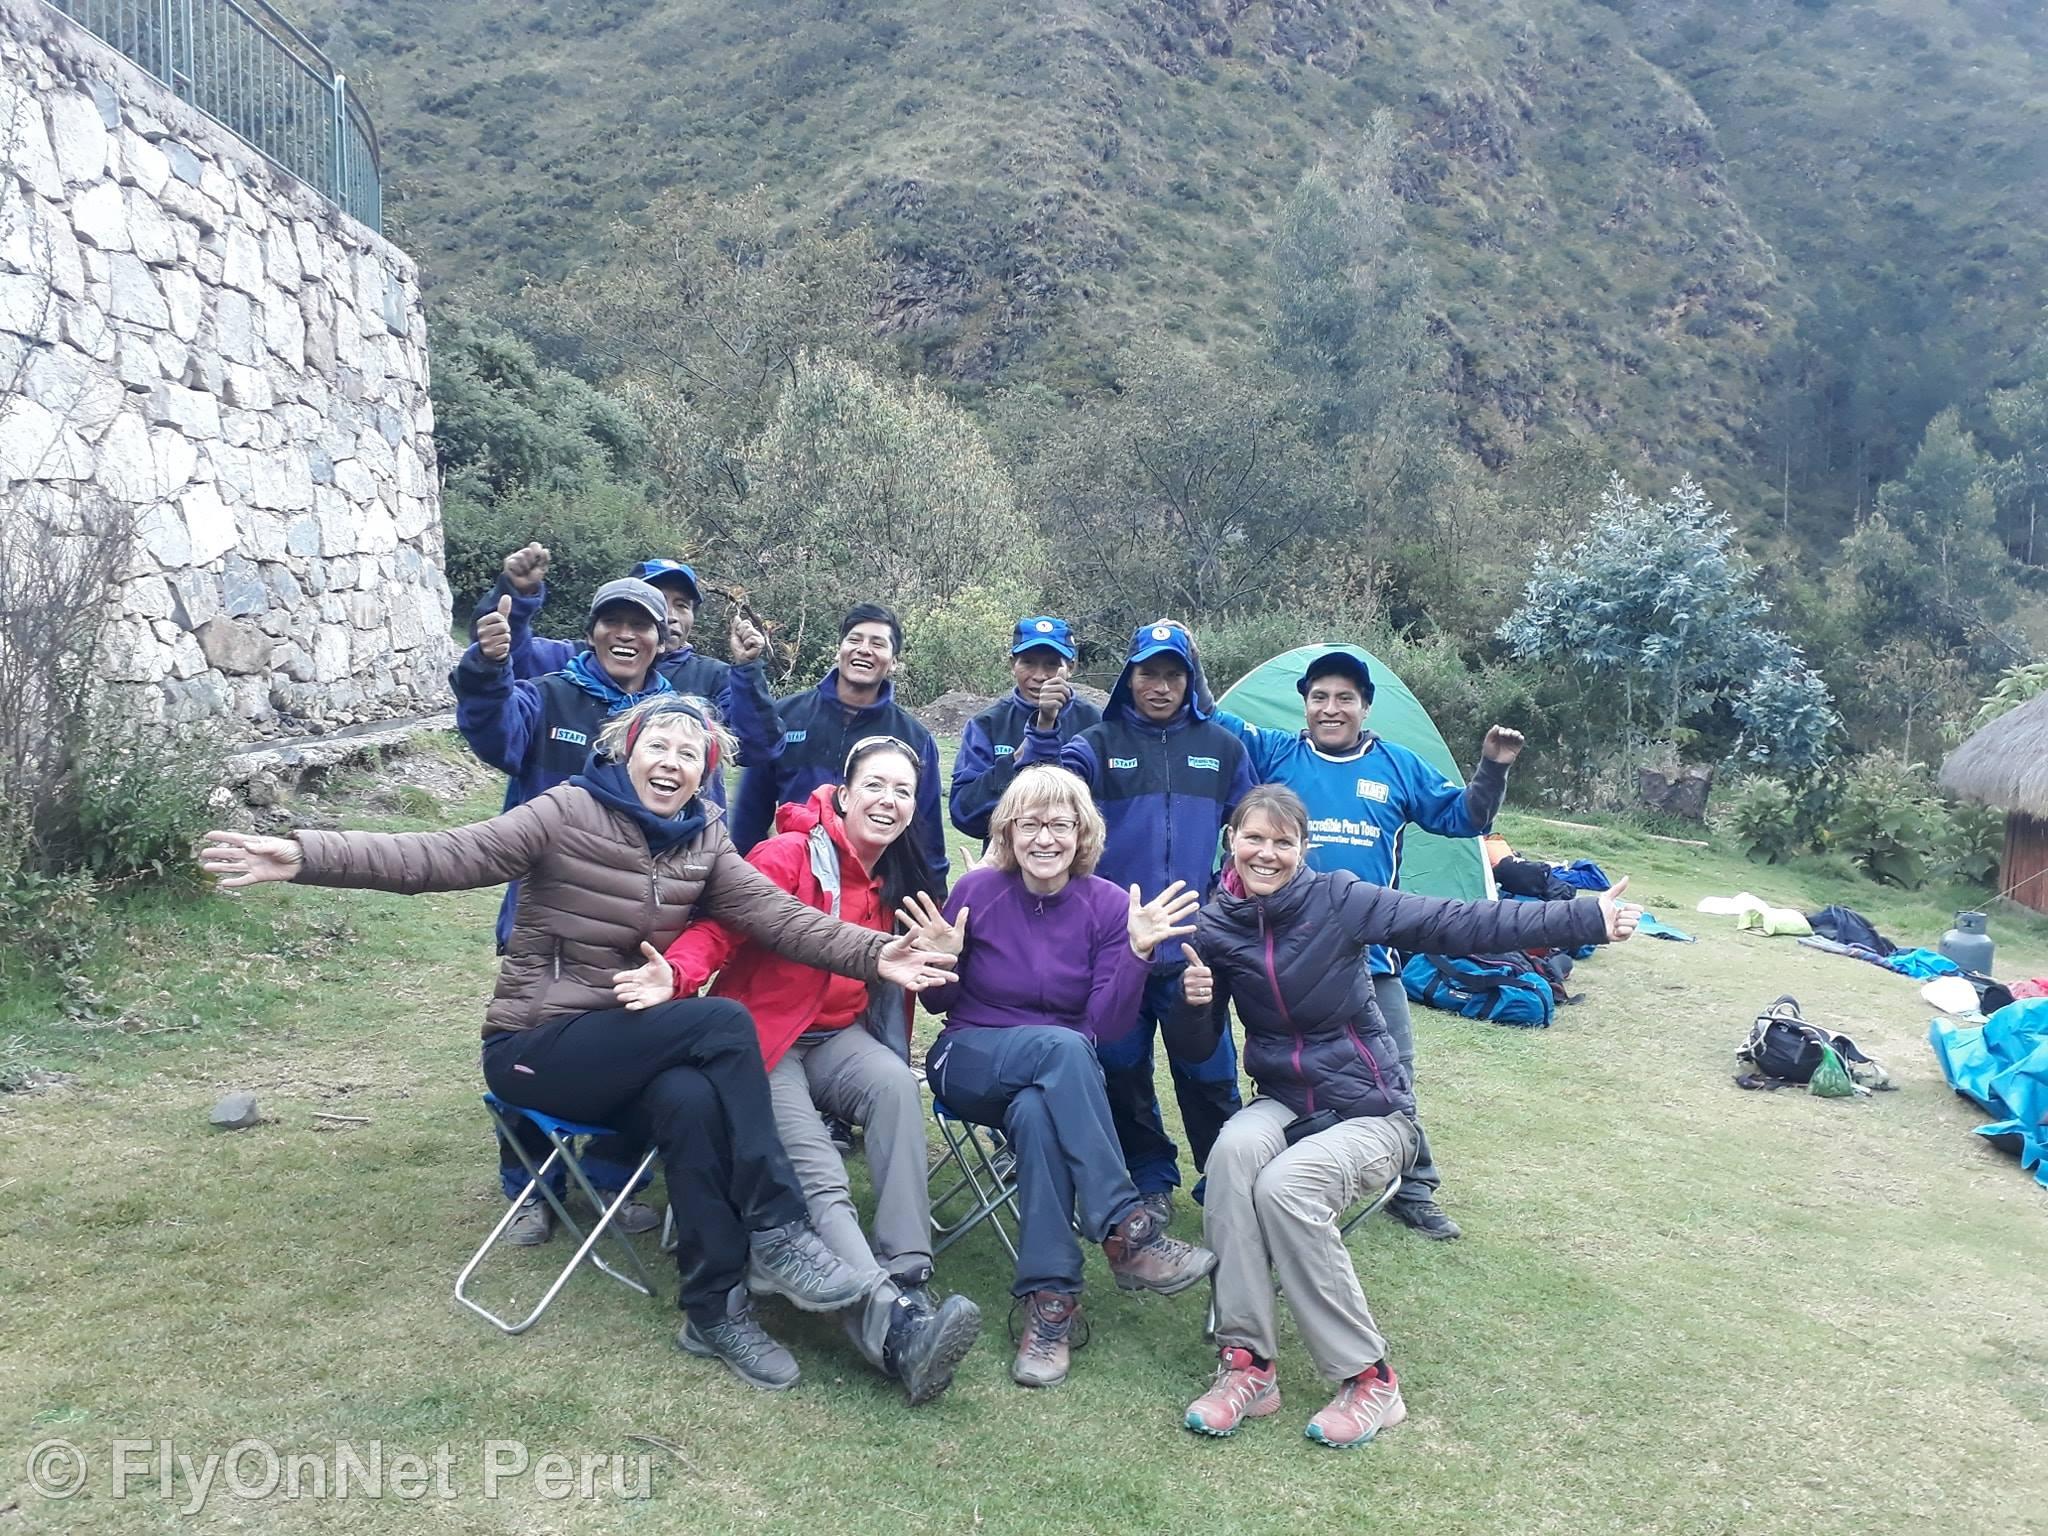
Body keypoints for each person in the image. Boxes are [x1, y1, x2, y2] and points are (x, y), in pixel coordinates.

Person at [200, 696, 962, 1393]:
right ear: (626, 750)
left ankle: (713, 1309)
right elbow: (443, 855)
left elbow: (780, 917)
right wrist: (303, 855)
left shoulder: (704, 838)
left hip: (625, 1044)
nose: (671, 761)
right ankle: (776, 1224)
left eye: (688, 752)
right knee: (725, 1025)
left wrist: (872, 954)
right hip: (537, 1044)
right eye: (657, 744)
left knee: (692, 1099)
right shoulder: (565, 812)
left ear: (707, 770)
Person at [1168, 786, 1640, 1447]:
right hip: (1286, 1101)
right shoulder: (1218, 926)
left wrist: (1580, 918)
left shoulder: (1340, 899)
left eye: (1283, 841)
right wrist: (1194, 1001)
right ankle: (1249, 1364)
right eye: (1254, 838)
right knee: (1229, 1156)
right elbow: (1194, 1050)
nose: (1266, 853)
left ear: (1304, 849)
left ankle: (1370, 1380)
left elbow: (1459, 922)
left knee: (1287, 1186)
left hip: (1371, 1108)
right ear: (1231, 843)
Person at [653, 736, 981, 1405]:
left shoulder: (891, 877)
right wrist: (677, 974)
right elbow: (720, 931)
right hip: (764, 1042)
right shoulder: (787, 856)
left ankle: (905, 1270)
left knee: (894, 1085)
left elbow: (916, 980)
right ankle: (893, 1331)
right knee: (819, 1168)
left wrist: (948, 953)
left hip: (834, 1036)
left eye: (903, 792)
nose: (888, 802)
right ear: (844, 790)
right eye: (877, 786)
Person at [903, 765, 1219, 1388]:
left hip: (1054, 1081)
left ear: (1082, 834)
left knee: (1040, 1116)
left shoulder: (1106, 906)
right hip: (967, 1057)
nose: (1045, 838)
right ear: (1008, 831)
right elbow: (941, 1007)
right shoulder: (976, 890)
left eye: (1060, 824)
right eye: (1030, 824)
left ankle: (1050, 1304)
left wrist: (1133, 954)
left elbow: (1104, 1023)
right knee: (1064, 1051)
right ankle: (1124, 1227)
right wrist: (943, 959)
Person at [1217, 646, 1524, 1240]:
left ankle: (1413, 1188)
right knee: (1283, 1065)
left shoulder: (1397, 764)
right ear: (1304, 705)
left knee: (1392, 1073)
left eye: (1344, 699)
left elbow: (1465, 820)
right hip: (1281, 956)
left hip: (1369, 955)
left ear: (1365, 707)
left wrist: (1493, 766)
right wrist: (1188, 653)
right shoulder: (1276, 752)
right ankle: (1258, 1168)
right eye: (1319, 698)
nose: (1330, 709)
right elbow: (1210, 717)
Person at [453, 574, 681, 1238]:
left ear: (661, 642)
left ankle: (611, 1178)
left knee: (633, 1050)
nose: (626, 634)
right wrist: (487, 669)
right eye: (612, 621)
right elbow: (496, 736)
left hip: (639, 923)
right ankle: (531, 1188)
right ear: (591, 632)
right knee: (528, 1051)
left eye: (641, 625)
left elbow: (703, 810)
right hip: (543, 922)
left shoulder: (674, 721)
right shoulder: (551, 695)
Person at [1016, 620, 1253, 1216]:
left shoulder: (1223, 747)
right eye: (1149, 671)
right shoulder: (1099, 742)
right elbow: (1048, 790)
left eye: (1175, 673)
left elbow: (1251, 831)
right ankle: (1150, 1180)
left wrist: (1228, 904)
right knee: (1122, 1071)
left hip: (1193, 951)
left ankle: (1226, 1180)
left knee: (1208, 1070)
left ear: (1190, 680)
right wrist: (1044, 729)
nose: (1161, 684)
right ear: (1130, 675)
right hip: (1116, 949)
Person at [470, 545, 779, 803]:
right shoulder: (562, 669)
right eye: (658, 597)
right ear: (593, 632)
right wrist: (515, 602)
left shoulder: (713, 680)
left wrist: (747, 670)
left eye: (682, 605)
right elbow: (503, 668)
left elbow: (755, 746)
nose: (671, 614)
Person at [731, 604, 948, 884]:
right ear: (839, 650)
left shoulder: (913, 737)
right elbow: (750, 811)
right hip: (792, 882)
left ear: (893, 662)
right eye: (855, 640)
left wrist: (934, 898)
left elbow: (927, 835)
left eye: (878, 643)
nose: (864, 649)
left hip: (873, 890)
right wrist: (739, 882)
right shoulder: (787, 716)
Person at [949, 616, 1102, 844]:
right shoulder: (987, 724)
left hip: (1080, 870)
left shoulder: (1095, 723)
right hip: (1006, 869)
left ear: (1071, 667)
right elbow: (964, 812)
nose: (1039, 676)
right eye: (1028, 662)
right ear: (1012, 665)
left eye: (1051, 664)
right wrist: (1018, 758)